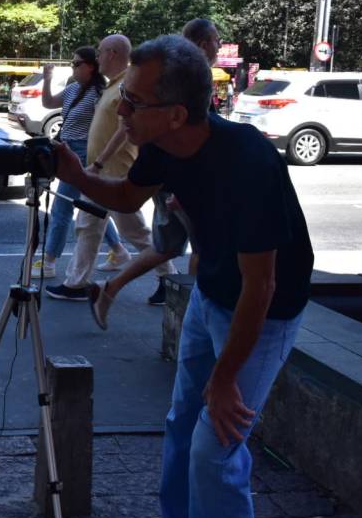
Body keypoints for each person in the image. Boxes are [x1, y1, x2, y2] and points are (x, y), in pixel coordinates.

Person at [53, 34, 313, 518]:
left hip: (263, 313)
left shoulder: (248, 162)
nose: (121, 110)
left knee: (215, 451)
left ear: (175, 114)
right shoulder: (161, 145)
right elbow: (129, 196)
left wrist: (226, 379)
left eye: (133, 102)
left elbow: (261, 287)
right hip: (209, 294)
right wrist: (77, 175)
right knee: (181, 425)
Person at [86, 18, 220, 323]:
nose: (124, 110)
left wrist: (88, 170)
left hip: (176, 179)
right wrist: (92, 167)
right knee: (183, 244)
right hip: (174, 180)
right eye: (217, 40)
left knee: (170, 243)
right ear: (203, 44)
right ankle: (194, 313)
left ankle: (116, 290)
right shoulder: (184, 80)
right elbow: (134, 131)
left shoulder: (183, 79)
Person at [48, 34, 176, 301]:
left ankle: (169, 279)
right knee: (88, 226)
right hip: (103, 170)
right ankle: (76, 283)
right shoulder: (114, 85)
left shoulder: (127, 85)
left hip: (114, 171)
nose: (98, 57)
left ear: (113, 53)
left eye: (100, 52)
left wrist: (98, 162)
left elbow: (123, 130)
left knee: (133, 232)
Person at [30, 46, 108, 284]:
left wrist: (99, 160)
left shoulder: (100, 93)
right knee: (90, 207)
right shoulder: (73, 88)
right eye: (72, 63)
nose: (73, 67)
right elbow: (48, 102)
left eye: (77, 63)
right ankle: (119, 250)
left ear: (91, 67)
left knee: (61, 208)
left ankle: (49, 261)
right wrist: (47, 79)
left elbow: (104, 128)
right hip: (66, 149)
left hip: (83, 152)